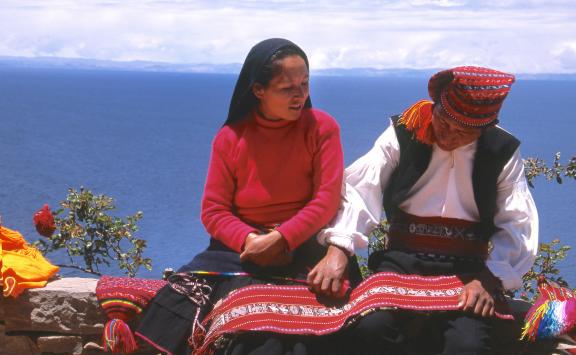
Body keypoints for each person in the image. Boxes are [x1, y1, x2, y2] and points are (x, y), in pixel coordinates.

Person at [135, 38, 360, 355]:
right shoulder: (230, 138)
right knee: (175, 312)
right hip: (239, 252)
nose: (300, 95)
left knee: (282, 338)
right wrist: (251, 241)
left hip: (305, 249)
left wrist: (282, 238)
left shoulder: (322, 128)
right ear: (258, 90)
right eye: (287, 88)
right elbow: (213, 211)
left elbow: (325, 200)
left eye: (305, 83)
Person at [317, 66, 539, 354]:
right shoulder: (404, 132)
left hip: (468, 269)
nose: (449, 136)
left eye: (463, 133)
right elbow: (362, 187)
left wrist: (488, 279)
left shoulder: (501, 150)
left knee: (467, 345)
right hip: (401, 260)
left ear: (485, 129)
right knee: (371, 329)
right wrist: (339, 248)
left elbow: (517, 223)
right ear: (435, 107)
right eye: (444, 123)